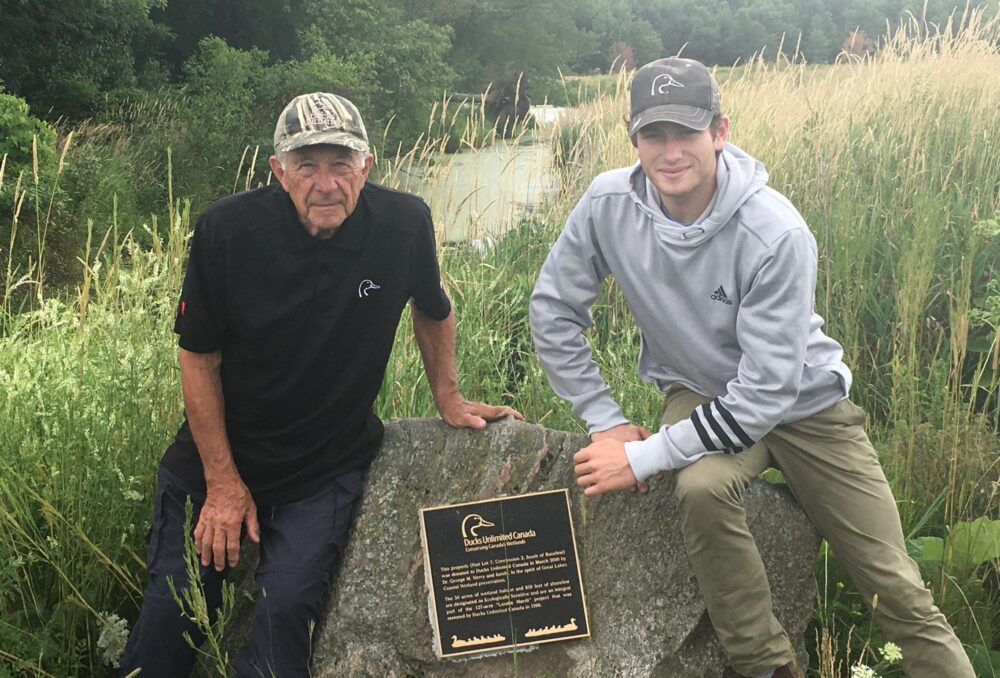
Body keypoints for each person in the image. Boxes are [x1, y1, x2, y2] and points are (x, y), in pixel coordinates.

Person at [528, 58, 973, 678]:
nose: (671, 151)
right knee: (703, 489)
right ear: (634, 139)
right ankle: (766, 665)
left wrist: (641, 456)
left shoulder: (775, 232)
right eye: (653, 134)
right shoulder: (607, 205)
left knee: (893, 584)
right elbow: (552, 311)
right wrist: (605, 420)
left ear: (720, 131)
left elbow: (764, 396)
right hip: (700, 388)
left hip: (805, 405)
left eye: (687, 132)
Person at [121, 92, 522, 677]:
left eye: (341, 163)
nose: (326, 183)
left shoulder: (403, 223)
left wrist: (449, 396)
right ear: (278, 170)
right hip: (217, 462)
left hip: (321, 469)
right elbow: (198, 357)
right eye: (307, 165)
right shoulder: (226, 232)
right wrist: (223, 483)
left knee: (285, 615)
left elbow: (433, 307)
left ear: (367, 165)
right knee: (170, 617)